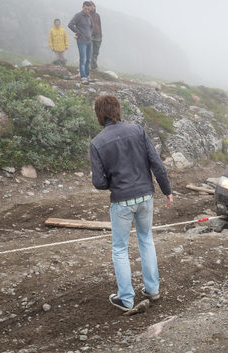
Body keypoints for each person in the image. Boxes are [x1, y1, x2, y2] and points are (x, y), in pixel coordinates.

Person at [90, 95, 174, 313]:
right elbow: (157, 165)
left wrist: (114, 182)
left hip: (121, 201)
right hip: (146, 196)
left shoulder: (97, 143)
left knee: (120, 248)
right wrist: (167, 191)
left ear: (99, 114)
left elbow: (99, 182)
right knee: (146, 240)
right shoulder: (137, 130)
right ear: (118, 110)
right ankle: (153, 290)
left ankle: (126, 299)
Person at [68, 1, 93, 83]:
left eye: (88, 9)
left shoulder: (89, 17)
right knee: (83, 59)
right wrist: (78, 32)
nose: (87, 10)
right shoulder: (78, 15)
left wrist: (90, 34)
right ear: (83, 7)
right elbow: (70, 24)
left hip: (89, 41)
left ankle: (87, 75)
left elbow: (91, 27)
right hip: (81, 41)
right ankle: (83, 77)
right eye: (85, 8)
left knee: (89, 59)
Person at [90, 1, 102, 71]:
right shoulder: (87, 15)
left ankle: (94, 66)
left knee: (96, 52)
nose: (92, 7)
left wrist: (100, 34)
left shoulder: (97, 15)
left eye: (93, 6)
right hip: (90, 36)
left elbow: (99, 25)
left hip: (98, 36)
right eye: (91, 6)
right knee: (90, 51)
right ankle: (91, 66)